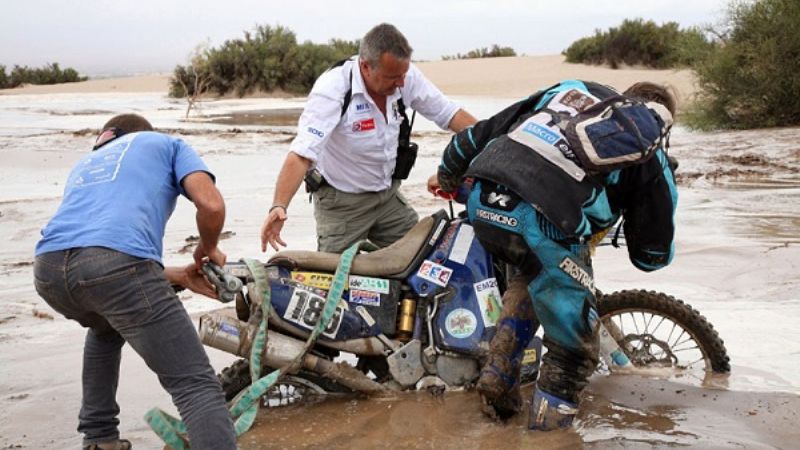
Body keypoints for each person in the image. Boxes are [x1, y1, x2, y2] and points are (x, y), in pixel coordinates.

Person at [429, 80, 678, 430]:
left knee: (534, 270)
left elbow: (472, 138)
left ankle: (499, 374)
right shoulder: (648, 148)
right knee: (573, 354)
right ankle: (548, 437)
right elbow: (652, 255)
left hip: (483, 201)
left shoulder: (571, 91)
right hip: (543, 223)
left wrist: (449, 179)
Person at [33, 114, 238, 450]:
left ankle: (99, 437)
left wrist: (180, 276)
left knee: (104, 327)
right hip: (115, 267)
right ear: (143, 134)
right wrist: (210, 246)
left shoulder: (86, 163)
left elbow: (89, 258)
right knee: (195, 384)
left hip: (49, 272)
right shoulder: (166, 143)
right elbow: (211, 204)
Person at [261, 23, 476, 254]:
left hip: (388, 198)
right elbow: (302, 154)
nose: (401, 83)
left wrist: (492, 141)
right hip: (342, 203)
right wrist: (279, 205)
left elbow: (449, 114)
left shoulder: (404, 75)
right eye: (393, 77)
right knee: (333, 280)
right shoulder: (333, 89)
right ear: (365, 67)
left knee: (424, 259)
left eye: (403, 75)